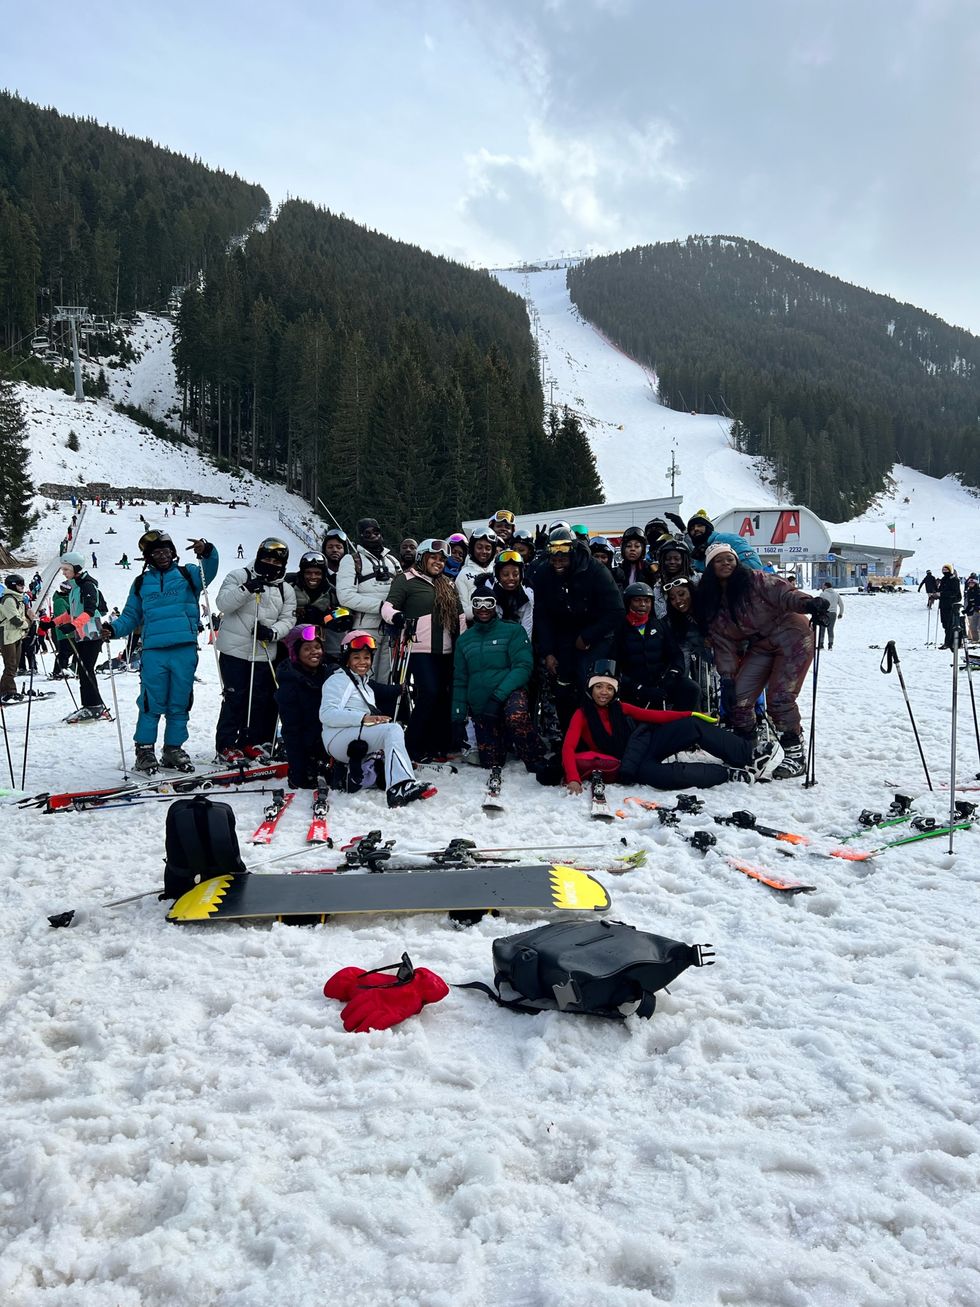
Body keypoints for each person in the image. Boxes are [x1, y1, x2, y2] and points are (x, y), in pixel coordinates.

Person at [694, 542, 829, 778]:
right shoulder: (714, 602)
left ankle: (795, 754)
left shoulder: (756, 580)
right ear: (710, 567)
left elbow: (785, 594)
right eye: (719, 560)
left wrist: (808, 603)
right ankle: (747, 750)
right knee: (739, 698)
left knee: (780, 698)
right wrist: (726, 679)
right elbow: (723, 643)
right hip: (761, 644)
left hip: (792, 634)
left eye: (730, 559)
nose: (726, 563)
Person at [561, 665, 783, 792]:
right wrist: (573, 778)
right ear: (590, 690)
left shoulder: (621, 707)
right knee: (670, 775)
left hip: (643, 743)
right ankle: (728, 774)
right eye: (598, 687)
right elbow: (568, 748)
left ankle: (747, 755)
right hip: (628, 764)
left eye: (609, 688)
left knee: (693, 726)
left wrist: (691, 714)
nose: (603, 692)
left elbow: (655, 715)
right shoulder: (581, 714)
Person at [103, 529, 219, 770]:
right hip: (154, 651)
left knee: (179, 701)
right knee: (150, 701)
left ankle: (173, 749)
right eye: (156, 553)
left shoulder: (188, 574)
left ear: (173, 552)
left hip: (184, 649)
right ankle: (144, 750)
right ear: (149, 557)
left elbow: (210, 570)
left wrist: (206, 551)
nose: (162, 556)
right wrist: (113, 630)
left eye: (166, 551)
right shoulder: (141, 583)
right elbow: (130, 616)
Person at [320, 629, 430, 806]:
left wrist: (374, 721)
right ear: (346, 659)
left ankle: (397, 779)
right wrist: (363, 718)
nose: (362, 662)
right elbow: (326, 714)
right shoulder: (339, 680)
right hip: (336, 738)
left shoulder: (366, 687)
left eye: (366, 657)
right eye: (356, 657)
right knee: (392, 730)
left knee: (394, 728)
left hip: (353, 735)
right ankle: (400, 786)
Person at [452, 585, 543, 790]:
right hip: (482, 707)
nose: (483, 608)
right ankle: (501, 742)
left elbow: (523, 666)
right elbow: (460, 679)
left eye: (489, 603)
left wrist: (497, 697)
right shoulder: (464, 640)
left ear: (496, 606)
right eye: (478, 603)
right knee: (491, 761)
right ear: (472, 608)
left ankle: (534, 756)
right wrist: (457, 717)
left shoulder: (512, 630)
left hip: (509, 694)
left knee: (515, 715)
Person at [533, 528, 625, 730]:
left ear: (573, 549)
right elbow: (542, 615)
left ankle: (598, 735)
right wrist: (548, 651)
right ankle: (569, 737)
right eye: (553, 551)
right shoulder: (543, 573)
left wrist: (588, 636)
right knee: (562, 686)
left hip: (597, 633)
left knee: (588, 682)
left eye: (563, 550)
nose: (558, 557)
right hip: (564, 634)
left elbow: (616, 611)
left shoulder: (595, 571)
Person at [213, 537, 296, 763]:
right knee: (235, 697)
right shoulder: (239, 576)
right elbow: (223, 604)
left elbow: (288, 618)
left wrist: (272, 633)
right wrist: (246, 589)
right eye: (267, 559)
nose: (271, 564)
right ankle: (226, 744)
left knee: (258, 700)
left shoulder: (284, 588)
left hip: (263, 653)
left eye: (276, 562)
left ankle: (250, 741)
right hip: (235, 651)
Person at [382, 539, 462, 761]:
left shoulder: (449, 584)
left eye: (442, 559)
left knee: (443, 696)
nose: (438, 562)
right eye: (433, 557)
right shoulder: (406, 580)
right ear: (422, 558)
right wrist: (396, 616)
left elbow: (460, 616)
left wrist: (463, 643)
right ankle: (412, 744)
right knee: (429, 692)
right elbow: (388, 606)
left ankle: (437, 744)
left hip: (445, 649)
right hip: (417, 648)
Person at [335, 517, 402, 682]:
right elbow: (345, 596)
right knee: (364, 676)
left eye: (376, 532)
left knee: (386, 678)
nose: (373, 536)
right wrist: (381, 607)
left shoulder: (392, 561)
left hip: (391, 629)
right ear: (360, 536)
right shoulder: (351, 560)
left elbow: (403, 590)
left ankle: (383, 707)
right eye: (367, 533)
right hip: (364, 628)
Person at [617, 581, 701, 710]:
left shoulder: (659, 625)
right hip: (635, 688)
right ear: (628, 602)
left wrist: (672, 675)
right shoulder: (619, 628)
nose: (643, 605)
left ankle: (679, 724)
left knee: (691, 688)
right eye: (637, 600)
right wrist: (639, 689)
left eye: (647, 601)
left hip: (661, 684)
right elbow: (616, 667)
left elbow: (676, 655)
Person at [274, 625, 333, 788]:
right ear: (295, 653)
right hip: (305, 744)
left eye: (317, 647)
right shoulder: (289, 684)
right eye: (307, 648)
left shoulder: (328, 671)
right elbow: (291, 731)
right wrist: (298, 771)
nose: (314, 652)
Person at [54, 553, 110, 723]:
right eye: (63, 569)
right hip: (82, 633)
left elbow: (90, 611)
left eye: (66, 569)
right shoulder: (75, 588)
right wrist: (51, 623)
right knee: (83, 669)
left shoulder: (87, 586)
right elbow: (71, 613)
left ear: (76, 568)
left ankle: (93, 706)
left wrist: (72, 625)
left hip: (92, 632)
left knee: (86, 669)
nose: (64, 572)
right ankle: (91, 705)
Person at [285, 548, 351, 671]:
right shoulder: (290, 585)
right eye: (308, 573)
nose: (313, 577)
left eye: (317, 573)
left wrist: (325, 617)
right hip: (292, 642)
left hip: (322, 644)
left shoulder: (332, 592)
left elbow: (345, 613)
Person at [686, 511, 763, 573]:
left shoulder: (727, 538)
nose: (696, 529)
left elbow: (753, 566)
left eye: (700, 525)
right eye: (692, 528)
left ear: (708, 527)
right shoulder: (697, 556)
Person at [0, 574, 32, 703]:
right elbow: (15, 620)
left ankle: (6, 690)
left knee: (14, 664)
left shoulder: (18, 599)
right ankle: (8, 691)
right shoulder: (8, 599)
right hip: (7, 635)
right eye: (20, 584)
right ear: (13, 585)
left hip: (15, 635)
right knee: (11, 664)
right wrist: (27, 624)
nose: (22, 586)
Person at [491, 548, 534, 639]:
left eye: (515, 574)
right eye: (505, 574)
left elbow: (527, 631)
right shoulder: (490, 595)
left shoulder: (527, 597)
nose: (511, 578)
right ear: (498, 576)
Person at [455, 527, 498, 615]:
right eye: (479, 547)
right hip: (474, 625)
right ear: (472, 548)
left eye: (488, 548)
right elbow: (462, 611)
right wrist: (483, 608)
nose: (484, 551)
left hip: (499, 625)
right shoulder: (463, 574)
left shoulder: (498, 571)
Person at [652, 538, 695, 617]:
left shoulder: (698, 579)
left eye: (677, 559)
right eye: (668, 559)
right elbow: (661, 615)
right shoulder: (658, 588)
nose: (672, 562)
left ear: (685, 560)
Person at [613, 526, 657, 592]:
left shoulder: (650, 569)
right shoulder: (616, 571)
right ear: (623, 549)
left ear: (643, 549)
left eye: (637, 546)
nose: (632, 549)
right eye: (628, 546)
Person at [937, 564, 962, 650]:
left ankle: (948, 643)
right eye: (943, 569)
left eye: (946, 569)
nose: (944, 571)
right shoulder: (944, 579)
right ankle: (948, 642)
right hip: (943, 605)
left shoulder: (954, 579)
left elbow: (955, 592)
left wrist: (942, 594)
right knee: (945, 624)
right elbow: (941, 590)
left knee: (950, 625)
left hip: (951, 605)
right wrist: (935, 594)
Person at [815, 580, 844, 650]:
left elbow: (819, 604)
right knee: (830, 629)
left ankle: (821, 645)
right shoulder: (836, 594)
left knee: (822, 629)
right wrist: (840, 613)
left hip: (825, 613)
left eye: (823, 586)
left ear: (825, 586)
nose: (822, 587)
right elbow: (841, 604)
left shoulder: (823, 594)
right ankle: (830, 645)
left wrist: (817, 613)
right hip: (833, 614)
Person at [964, 575, 980, 644]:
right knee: (972, 626)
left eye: (972, 583)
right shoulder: (969, 592)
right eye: (969, 583)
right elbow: (970, 603)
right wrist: (966, 610)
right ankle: (975, 640)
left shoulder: (978, 591)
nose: (970, 584)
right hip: (975, 611)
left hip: (978, 609)